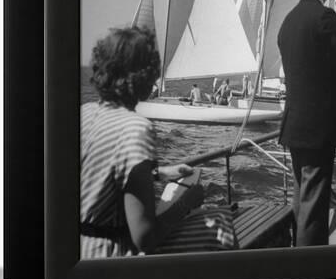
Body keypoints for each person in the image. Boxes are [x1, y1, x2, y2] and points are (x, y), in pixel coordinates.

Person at [81, 27, 234, 258]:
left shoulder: (84, 113)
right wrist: (186, 204)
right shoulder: (135, 128)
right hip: (110, 257)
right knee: (222, 221)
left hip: (75, 250)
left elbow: (103, 172)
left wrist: (159, 172)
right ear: (145, 76)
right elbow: (144, 238)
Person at [277, 0, 336, 246]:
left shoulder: (288, 22)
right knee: (314, 209)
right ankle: (311, 270)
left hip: (294, 127)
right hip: (319, 131)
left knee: (301, 200)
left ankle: (295, 261)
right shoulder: (327, 19)